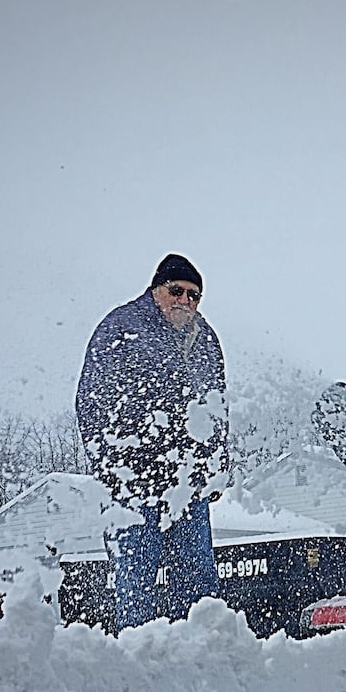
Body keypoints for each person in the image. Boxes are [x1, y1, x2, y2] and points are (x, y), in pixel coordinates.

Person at [75, 253, 229, 631]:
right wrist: (113, 469)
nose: (186, 302)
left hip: (188, 484)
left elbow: (217, 407)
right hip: (135, 484)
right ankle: (138, 661)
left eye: (195, 296)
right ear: (156, 290)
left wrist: (216, 466)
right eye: (177, 291)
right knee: (136, 585)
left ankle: (201, 658)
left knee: (198, 587)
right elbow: (92, 401)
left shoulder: (205, 339)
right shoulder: (121, 328)